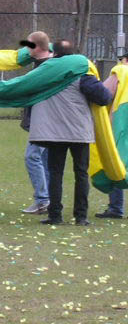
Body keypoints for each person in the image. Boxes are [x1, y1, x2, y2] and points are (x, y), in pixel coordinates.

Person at [29, 40, 112, 225]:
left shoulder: (45, 74)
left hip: (54, 133)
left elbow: (25, 89)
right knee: (81, 173)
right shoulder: (82, 75)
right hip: (79, 133)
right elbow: (104, 97)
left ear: (54, 53)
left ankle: (55, 215)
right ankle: (81, 216)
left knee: (55, 173)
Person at [20, 31, 52, 214]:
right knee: (45, 160)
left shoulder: (46, 67)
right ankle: (48, 199)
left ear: (37, 47)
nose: (26, 48)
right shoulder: (40, 65)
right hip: (41, 122)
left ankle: (42, 199)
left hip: (44, 123)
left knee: (32, 157)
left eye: (29, 45)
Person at [96, 53, 128, 219]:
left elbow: (104, 93)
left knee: (118, 162)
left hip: (122, 123)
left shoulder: (121, 70)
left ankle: (116, 207)